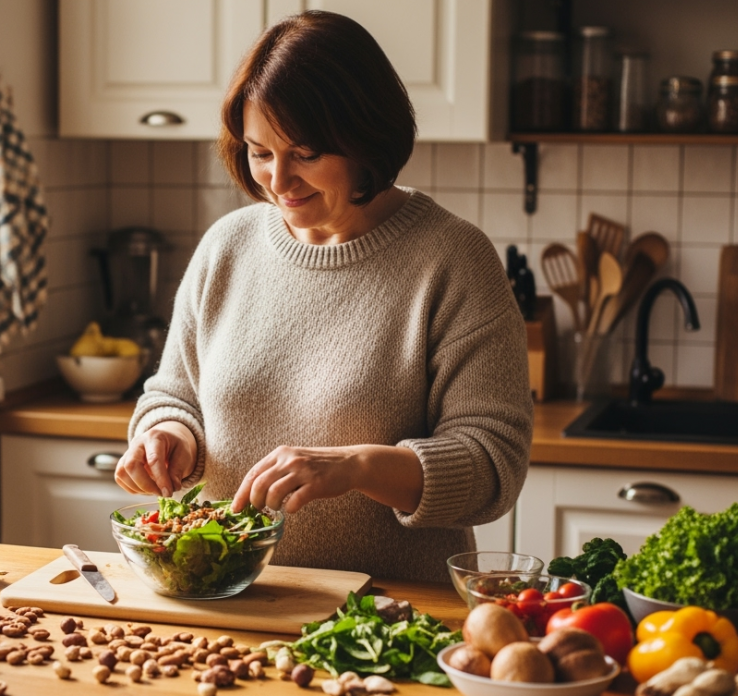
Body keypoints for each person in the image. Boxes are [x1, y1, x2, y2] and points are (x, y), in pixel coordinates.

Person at [113, 10, 532, 583]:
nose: (279, 182)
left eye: (306, 154)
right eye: (261, 152)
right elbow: (174, 393)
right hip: (228, 601)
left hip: (388, 617)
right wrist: (166, 434)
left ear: (366, 138)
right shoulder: (226, 247)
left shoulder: (453, 259)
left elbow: (492, 464)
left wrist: (356, 466)